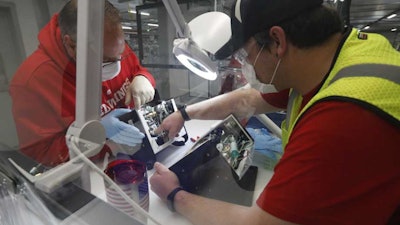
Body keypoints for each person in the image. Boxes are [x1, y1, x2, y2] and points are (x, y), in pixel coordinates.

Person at [150, 0, 400, 224]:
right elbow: (249, 99)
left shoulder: (341, 117)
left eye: (247, 55)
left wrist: (174, 195)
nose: (246, 66)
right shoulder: (339, 55)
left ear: (277, 41)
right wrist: (183, 114)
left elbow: (261, 222)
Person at [9, 0, 155, 167]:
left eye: (120, 54)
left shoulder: (110, 44)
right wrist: (92, 135)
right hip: (87, 175)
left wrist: (143, 78)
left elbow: (137, 69)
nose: (117, 65)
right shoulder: (32, 82)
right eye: (106, 60)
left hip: (130, 156)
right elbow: (41, 158)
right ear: (71, 45)